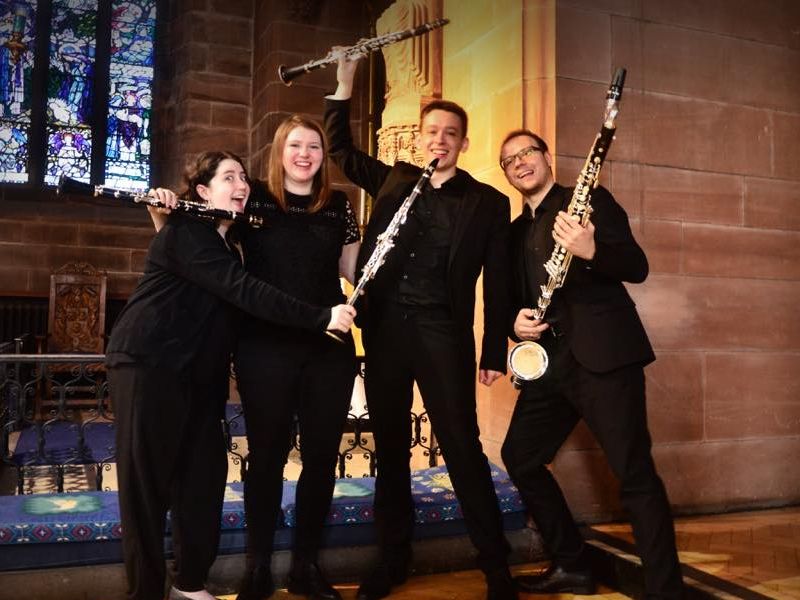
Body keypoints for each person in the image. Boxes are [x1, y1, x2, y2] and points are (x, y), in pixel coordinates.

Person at [107, 150, 356, 600]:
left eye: (243, 176)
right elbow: (247, 292)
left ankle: (189, 583)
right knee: (147, 489)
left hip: (199, 375)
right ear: (202, 192)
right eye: (228, 177)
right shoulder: (188, 231)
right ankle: (145, 592)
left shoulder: (227, 242)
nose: (242, 184)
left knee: (204, 476)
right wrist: (322, 317)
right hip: (150, 365)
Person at [324, 53, 517, 600]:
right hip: (385, 331)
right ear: (422, 139)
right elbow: (338, 150)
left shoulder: (487, 203)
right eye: (432, 131)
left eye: (450, 133)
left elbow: (498, 284)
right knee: (389, 446)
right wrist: (344, 82)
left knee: (461, 444)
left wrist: (494, 351)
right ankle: (393, 558)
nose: (440, 140)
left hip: (442, 333)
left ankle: (495, 565)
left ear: (463, 142)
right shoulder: (393, 178)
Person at [497, 130, 684, 598]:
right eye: (508, 161)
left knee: (634, 474)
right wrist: (515, 323)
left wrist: (592, 250)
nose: (519, 163)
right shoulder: (517, 232)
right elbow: (518, 304)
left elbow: (636, 266)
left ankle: (666, 591)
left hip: (604, 358)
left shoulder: (589, 200)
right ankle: (574, 565)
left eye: (526, 153)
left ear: (545, 157)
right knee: (520, 457)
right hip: (549, 365)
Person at [233, 115, 361, 600]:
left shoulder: (339, 207)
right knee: (266, 458)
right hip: (265, 345)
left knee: (322, 458)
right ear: (279, 152)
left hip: (328, 349)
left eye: (314, 146)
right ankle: (258, 566)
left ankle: (305, 565)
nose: (305, 153)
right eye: (295, 145)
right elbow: (213, 244)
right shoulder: (255, 199)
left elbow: (354, 271)